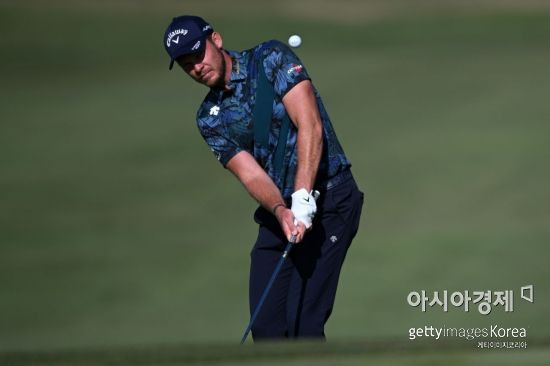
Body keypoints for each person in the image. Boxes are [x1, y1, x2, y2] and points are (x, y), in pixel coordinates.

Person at [163, 15, 364, 340]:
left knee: (304, 327)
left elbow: (309, 125)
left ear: (215, 40)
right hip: (280, 214)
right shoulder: (209, 119)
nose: (196, 67)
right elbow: (251, 174)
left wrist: (301, 196)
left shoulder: (271, 59)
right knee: (267, 329)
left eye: (197, 55)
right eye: (187, 65)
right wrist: (282, 210)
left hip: (331, 201)